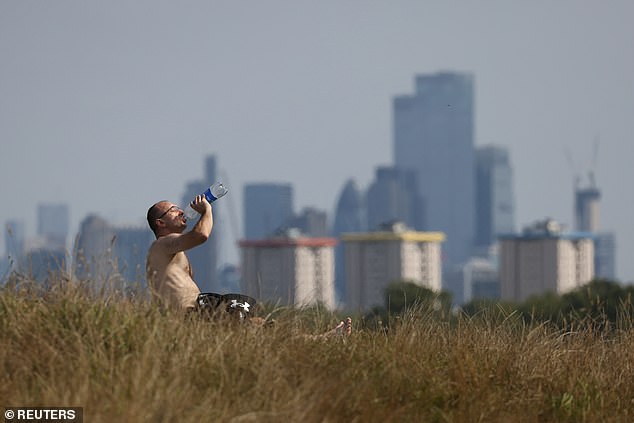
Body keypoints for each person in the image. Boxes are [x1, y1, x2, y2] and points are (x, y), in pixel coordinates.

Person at [145, 196, 352, 336]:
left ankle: (320, 340)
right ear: (160, 223)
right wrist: (207, 210)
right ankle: (322, 339)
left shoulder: (172, 252)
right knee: (257, 328)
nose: (181, 211)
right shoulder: (162, 245)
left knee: (259, 327)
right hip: (194, 315)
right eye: (173, 210)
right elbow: (201, 235)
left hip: (201, 311)